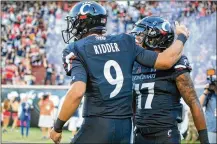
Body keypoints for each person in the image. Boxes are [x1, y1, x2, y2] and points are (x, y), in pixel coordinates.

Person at [50, 1, 189, 144]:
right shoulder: (125, 41)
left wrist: (57, 127)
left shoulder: (76, 48)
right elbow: (166, 60)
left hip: (97, 123)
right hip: (125, 128)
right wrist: (182, 36)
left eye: (74, 22)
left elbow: (77, 91)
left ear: (82, 23)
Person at [131, 16, 209, 144]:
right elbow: (133, 102)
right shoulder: (137, 62)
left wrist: (205, 140)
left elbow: (193, 102)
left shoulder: (176, 63)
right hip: (140, 135)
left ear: (154, 38)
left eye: (141, 35)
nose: (137, 40)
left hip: (164, 135)